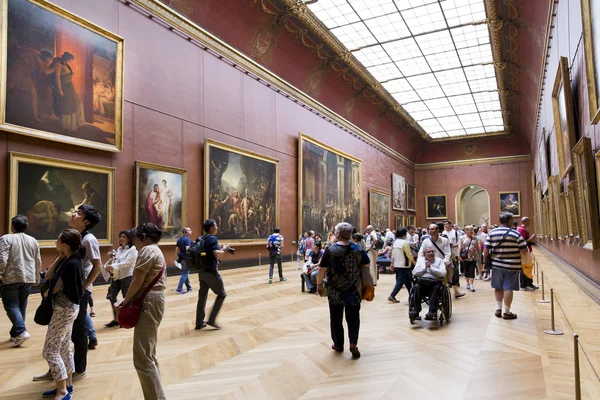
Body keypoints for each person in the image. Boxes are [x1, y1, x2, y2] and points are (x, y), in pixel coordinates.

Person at [34, 205, 102, 383]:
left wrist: (83, 288)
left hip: (76, 292)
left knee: (77, 333)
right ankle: (57, 370)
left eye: (79, 213)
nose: (74, 214)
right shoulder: (74, 237)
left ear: (86, 221)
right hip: (67, 290)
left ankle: (79, 370)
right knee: (61, 336)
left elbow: (97, 266)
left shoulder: (89, 240)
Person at [114, 223, 167, 400]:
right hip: (155, 300)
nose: (133, 241)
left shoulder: (147, 251)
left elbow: (137, 281)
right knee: (149, 355)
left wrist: (124, 303)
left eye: (135, 237)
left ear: (143, 237)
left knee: (143, 359)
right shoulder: (155, 250)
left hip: (149, 301)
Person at [40, 229, 85, 400]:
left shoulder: (71, 264)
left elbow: (56, 286)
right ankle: (68, 384)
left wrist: (47, 294)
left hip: (63, 309)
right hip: (69, 308)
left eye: (58, 240)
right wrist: (59, 256)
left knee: (50, 351)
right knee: (64, 347)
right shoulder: (69, 260)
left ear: (65, 244)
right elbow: (48, 274)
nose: (55, 242)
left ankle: (62, 392)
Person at [316, 222, 370, 359]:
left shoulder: (330, 249)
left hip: (335, 290)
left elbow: (322, 269)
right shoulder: (358, 248)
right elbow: (366, 264)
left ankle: (338, 344)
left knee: (335, 318)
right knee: (353, 317)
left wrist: (319, 284)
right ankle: (353, 343)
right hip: (354, 290)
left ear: (338, 234)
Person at [0, 215, 41, 347]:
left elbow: (2, 258)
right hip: (28, 277)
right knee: (21, 305)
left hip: (11, 276)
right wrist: (36, 278)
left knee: (11, 305)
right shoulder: (33, 240)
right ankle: (15, 334)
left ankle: (21, 331)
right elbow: (37, 261)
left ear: (12, 226)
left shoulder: (6, 239)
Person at [484, 212, 529, 320]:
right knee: (509, 287)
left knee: (498, 287)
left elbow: (486, 249)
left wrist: (486, 261)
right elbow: (524, 249)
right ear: (509, 221)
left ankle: (498, 309)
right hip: (512, 266)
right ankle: (506, 311)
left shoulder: (492, 232)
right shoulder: (516, 234)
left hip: (497, 265)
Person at [195, 219, 231, 330]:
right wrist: (225, 248)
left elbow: (210, 251)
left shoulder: (201, 238)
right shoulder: (212, 238)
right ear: (211, 228)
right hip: (211, 271)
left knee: (202, 296)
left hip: (201, 271)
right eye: (216, 226)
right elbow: (217, 254)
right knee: (222, 294)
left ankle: (199, 322)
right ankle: (211, 319)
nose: (217, 227)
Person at [101, 230, 137, 328]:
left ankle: (127, 318)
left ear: (129, 238)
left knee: (127, 298)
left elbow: (128, 263)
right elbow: (118, 260)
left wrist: (113, 265)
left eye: (123, 237)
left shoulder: (133, 249)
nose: (121, 238)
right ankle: (116, 319)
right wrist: (112, 259)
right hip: (116, 276)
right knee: (111, 296)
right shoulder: (119, 249)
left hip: (127, 277)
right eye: (120, 236)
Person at [418, 223, 464, 299]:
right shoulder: (426, 241)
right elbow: (420, 253)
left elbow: (447, 253)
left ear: (437, 230)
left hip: (442, 263)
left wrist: (443, 263)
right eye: (429, 229)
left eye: (433, 229)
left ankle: (447, 286)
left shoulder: (444, 240)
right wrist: (422, 262)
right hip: (430, 263)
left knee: (449, 273)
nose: (431, 231)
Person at [50, 52, 86, 131]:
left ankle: (75, 122)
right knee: (66, 105)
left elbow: (66, 74)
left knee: (76, 102)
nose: (71, 61)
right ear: (67, 58)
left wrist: (71, 74)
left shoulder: (66, 65)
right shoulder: (59, 65)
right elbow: (57, 78)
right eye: (70, 60)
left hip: (70, 87)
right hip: (64, 87)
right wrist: (60, 90)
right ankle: (66, 125)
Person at [410, 247, 447, 320]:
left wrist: (431, 268)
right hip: (422, 283)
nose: (431, 253)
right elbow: (414, 272)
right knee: (416, 287)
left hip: (434, 283)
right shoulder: (420, 261)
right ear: (424, 254)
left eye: (432, 251)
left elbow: (443, 273)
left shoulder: (439, 261)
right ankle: (416, 310)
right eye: (428, 252)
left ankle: (432, 312)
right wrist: (424, 268)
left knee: (436, 288)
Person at [388, 228, 415, 303]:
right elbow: (409, 254)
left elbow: (392, 254)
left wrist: (392, 263)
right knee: (400, 281)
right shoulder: (405, 243)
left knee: (407, 281)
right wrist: (414, 262)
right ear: (404, 234)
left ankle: (412, 294)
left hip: (397, 264)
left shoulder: (395, 242)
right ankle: (392, 295)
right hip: (404, 264)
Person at [458, 226, 480, 292]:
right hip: (465, 257)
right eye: (470, 230)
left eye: (472, 230)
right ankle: (467, 283)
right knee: (466, 271)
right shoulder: (462, 238)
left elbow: (477, 248)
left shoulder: (474, 238)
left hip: (473, 257)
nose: (471, 231)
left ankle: (471, 285)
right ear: (466, 231)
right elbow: (460, 247)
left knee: (472, 270)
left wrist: (478, 256)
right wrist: (459, 256)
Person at [517, 217, 537, 291]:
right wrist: (531, 238)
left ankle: (529, 283)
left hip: (526, 250)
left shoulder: (521, 229)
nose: (530, 223)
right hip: (524, 251)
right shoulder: (522, 230)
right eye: (529, 221)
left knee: (527, 267)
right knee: (525, 267)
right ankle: (524, 285)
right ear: (525, 221)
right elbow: (523, 242)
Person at [175, 227, 193, 294]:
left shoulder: (179, 239)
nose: (191, 231)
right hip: (186, 259)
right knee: (185, 273)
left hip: (181, 258)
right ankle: (179, 288)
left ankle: (189, 287)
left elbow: (176, 250)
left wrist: (177, 257)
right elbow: (188, 250)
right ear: (185, 232)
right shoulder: (187, 240)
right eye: (189, 230)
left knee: (185, 272)